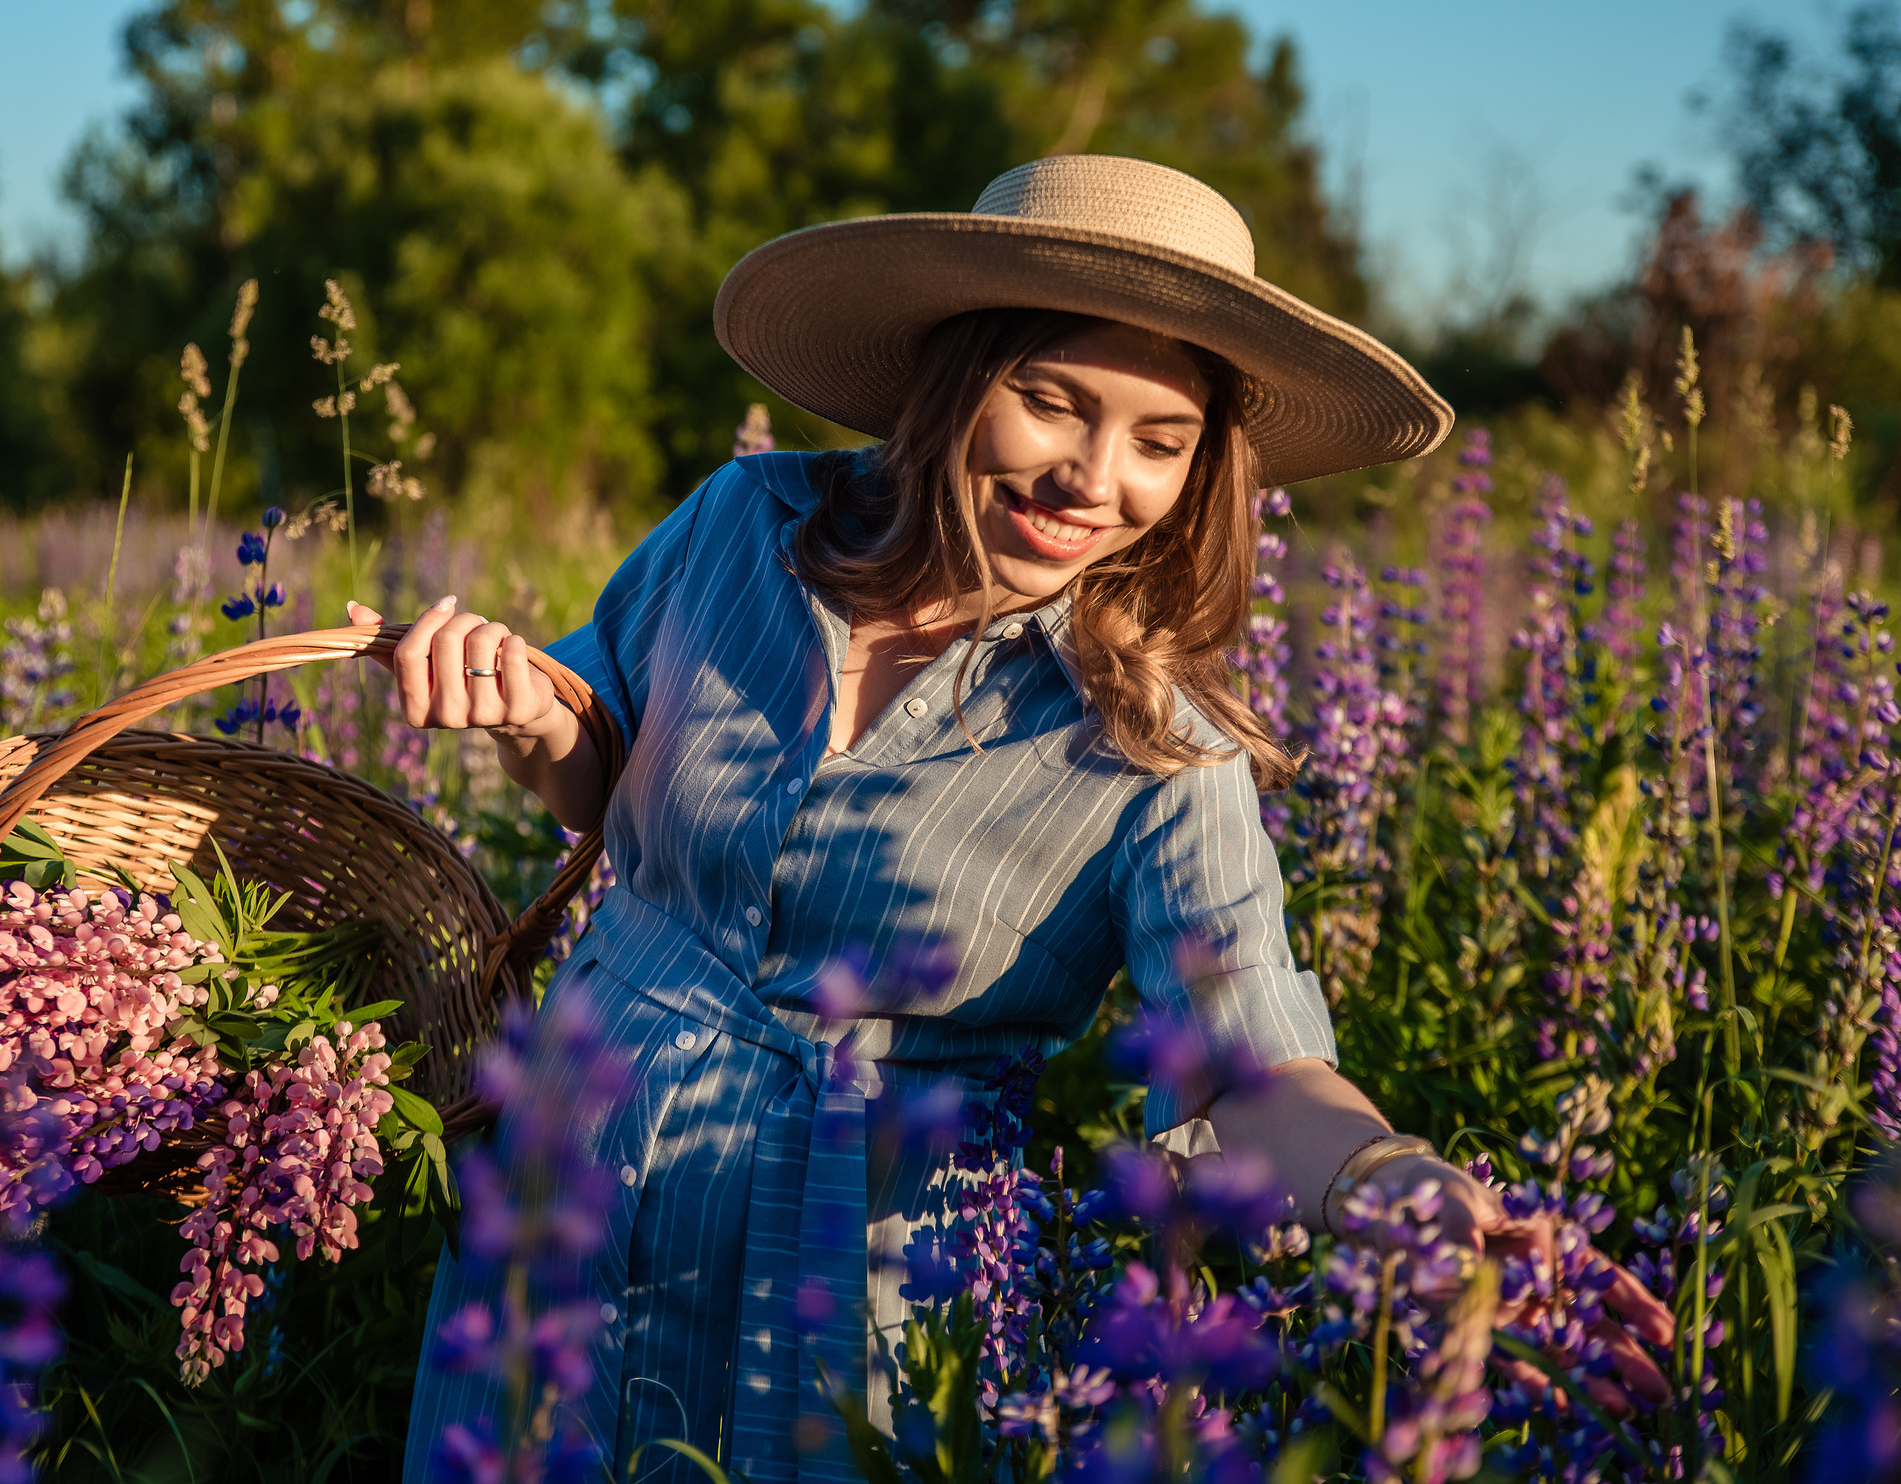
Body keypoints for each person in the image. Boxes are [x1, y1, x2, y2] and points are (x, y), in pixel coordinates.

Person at [359, 155, 1670, 1482]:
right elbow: (609, 755)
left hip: (854, 1295)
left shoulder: (1159, 744)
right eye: (1051, 401)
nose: (1095, 480)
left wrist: (1391, 1183)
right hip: (563, 1188)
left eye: (1163, 441)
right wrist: (527, 715)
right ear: (952, 374)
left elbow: (1231, 1091)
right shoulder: (743, 525)